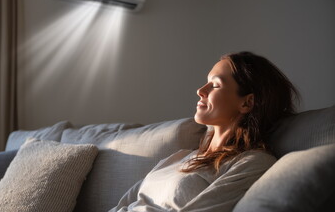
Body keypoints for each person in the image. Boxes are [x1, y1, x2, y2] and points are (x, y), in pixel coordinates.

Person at [109, 51, 300, 212]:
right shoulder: (181, 156)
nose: (201, 90)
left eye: (215, 85)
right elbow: (123, 205)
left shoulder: (253, 162)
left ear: (247, 102)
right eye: (206, 82)